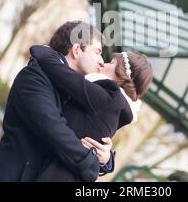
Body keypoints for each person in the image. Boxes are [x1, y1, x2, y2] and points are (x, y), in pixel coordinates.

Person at [0, 21, 113, 182]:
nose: (101, 61)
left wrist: (105, 157)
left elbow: (83, 129)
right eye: (97, 52)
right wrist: (90, 162)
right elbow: (53, 126)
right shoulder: (34, 76)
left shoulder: (72, 93)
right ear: (76, 50)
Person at [30, 35, 153, 181]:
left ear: (121, 77)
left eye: (111, 63)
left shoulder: (110, 95)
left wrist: (43, 51)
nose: (103, 64)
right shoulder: (117, 107)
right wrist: (107, 161)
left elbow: (64, 76)